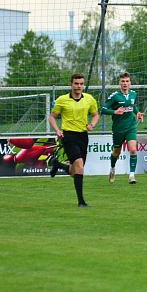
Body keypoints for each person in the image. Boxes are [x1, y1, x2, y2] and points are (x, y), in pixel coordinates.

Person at [48, 73, 99, 207]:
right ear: (71, 84)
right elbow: (52, 117)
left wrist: (92, 125)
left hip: (83, 136)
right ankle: (81, 202)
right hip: (69, 136)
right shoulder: (62, 100)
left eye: (81, 84)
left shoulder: (89, 99)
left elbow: (95, 115)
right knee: (80, 167)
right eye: (76, 84)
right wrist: (57, 130)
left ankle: (57, 164)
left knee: (74, 171)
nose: (79, 86)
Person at [101, 72, 144, 184]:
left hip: (131, 127)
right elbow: (103, 109)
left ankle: (131, 176)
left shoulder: (133, 94)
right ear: (119, 83)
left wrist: (137, 112)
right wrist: (114, 111)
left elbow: (133, 106)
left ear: (130, 83)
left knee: (133, 149)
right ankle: (112, 169)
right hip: (118, 129)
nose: (125, 83)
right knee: (116, 152)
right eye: (123, 81)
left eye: (127, 81)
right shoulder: (115, 96)